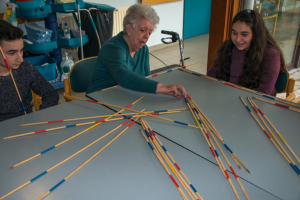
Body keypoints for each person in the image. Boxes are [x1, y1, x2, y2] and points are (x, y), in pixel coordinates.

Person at [86, 4, 186, 98]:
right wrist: (162, 88)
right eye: (143, 30)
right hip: (98, 99)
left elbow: (147, 78)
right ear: (129, 29)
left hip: (123, 97)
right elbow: (124, 76)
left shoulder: (143, 49)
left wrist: (164, 89)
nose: (147, 36)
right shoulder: (114, 48)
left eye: (150, 32)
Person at [207, 9, 286, 96]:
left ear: (256, 34)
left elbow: (263, 92)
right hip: (228, 96)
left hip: (257, 102)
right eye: (234, 33)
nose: (237, 39)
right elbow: (212, 76)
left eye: (244, 34)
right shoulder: (228, 46)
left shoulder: (271, 55)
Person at [0, 20, 59, 122]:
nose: (20, 59)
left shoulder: (25, 67)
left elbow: (51, 94)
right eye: (12, 53)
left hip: (26, 124)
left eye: (21, 50)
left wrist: (39, 118)